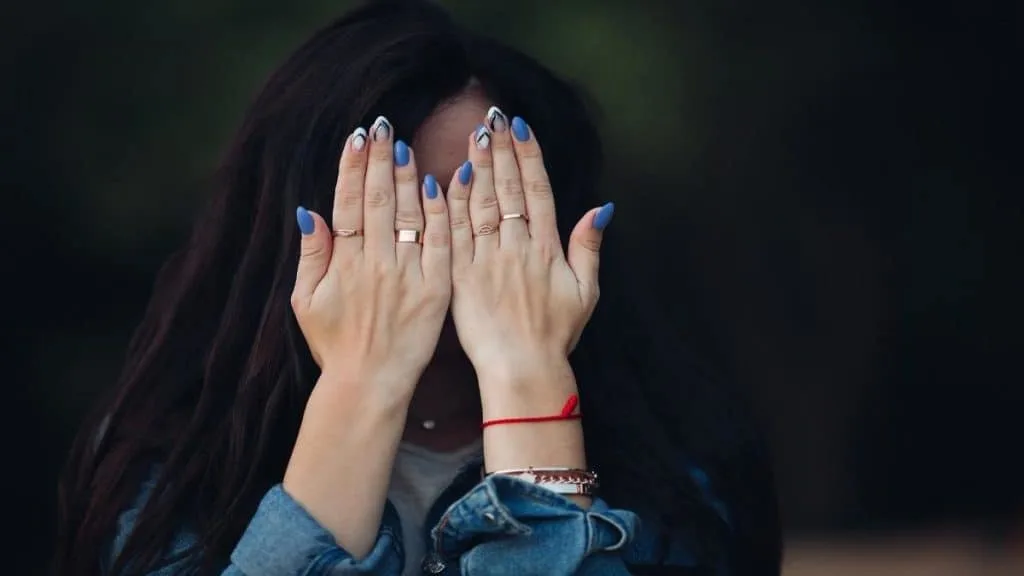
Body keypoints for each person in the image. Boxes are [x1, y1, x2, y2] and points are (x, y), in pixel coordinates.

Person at [54, 1, 781, 574]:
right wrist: (361, 387)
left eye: (490, 206)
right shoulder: (170, 468)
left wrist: (529, 382)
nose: (435, 249)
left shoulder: (682, 479)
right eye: (398, 208)